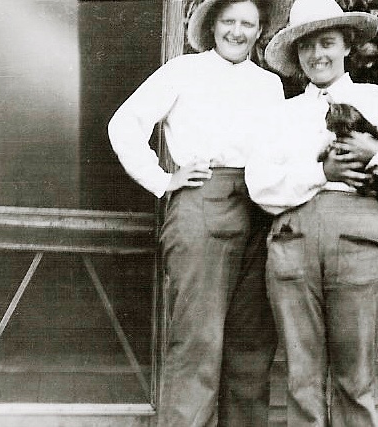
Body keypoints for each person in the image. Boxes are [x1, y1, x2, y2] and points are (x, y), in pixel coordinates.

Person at [245, 0, 378, 425]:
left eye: (327, 42)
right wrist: (319, 171)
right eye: (306, 46)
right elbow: (260, 185)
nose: (317, 55)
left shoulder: (377, 100)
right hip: (294, 241)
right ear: (296, 55)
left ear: (347, 45)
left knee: (356, 378)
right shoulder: (282, 114)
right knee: (302, 378)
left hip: (360, 238)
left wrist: (374, 151)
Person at [107, 0, 284, 425]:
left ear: (260, 30)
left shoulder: (270, 85)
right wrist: (162, 178)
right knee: (198, 344)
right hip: (203, 203)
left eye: (248, 23)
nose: (237, 31)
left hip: (261, 210)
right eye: (229, 21)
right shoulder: (183, 71)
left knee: (251, 350)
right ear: (211, 25)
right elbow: (124, 123)